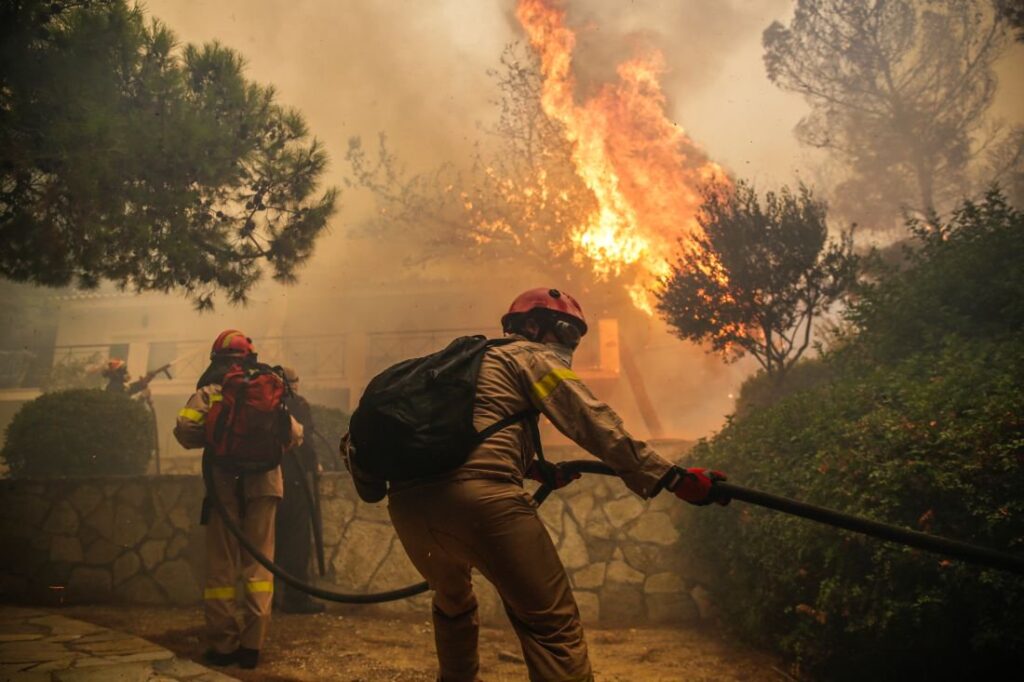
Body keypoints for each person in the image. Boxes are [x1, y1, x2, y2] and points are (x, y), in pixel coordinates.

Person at [345, 288, 728, 682]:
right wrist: (674, 478)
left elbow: (460, 434)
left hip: (408, 510)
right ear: (531, 325)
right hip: (482, 503)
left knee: (453, 603)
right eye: (567, 331)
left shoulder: (456, 367)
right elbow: (591, 421)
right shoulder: (529, 356)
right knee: (552, 628)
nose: (571, 344)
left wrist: (533, 469)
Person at [173, 329, 303, 670]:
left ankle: (224, 644)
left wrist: (215, 439)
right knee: (260, 565)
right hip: (265, 485)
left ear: (216, 358)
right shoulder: (267, 387)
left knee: (222, 565)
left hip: (224, 487)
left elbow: (185, 431)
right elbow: (294, 434)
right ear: (250, 356)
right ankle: (252, 646)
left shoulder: (210, 391)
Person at [273, 366, 326, 614]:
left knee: (270, 541)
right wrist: (314, 465)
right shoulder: (298, 404)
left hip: (268, 479)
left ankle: (269, 599)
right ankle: (296, 598)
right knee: (297, 541)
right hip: (294, 481)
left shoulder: (266, 404)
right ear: (292, 383)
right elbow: (306, 442)